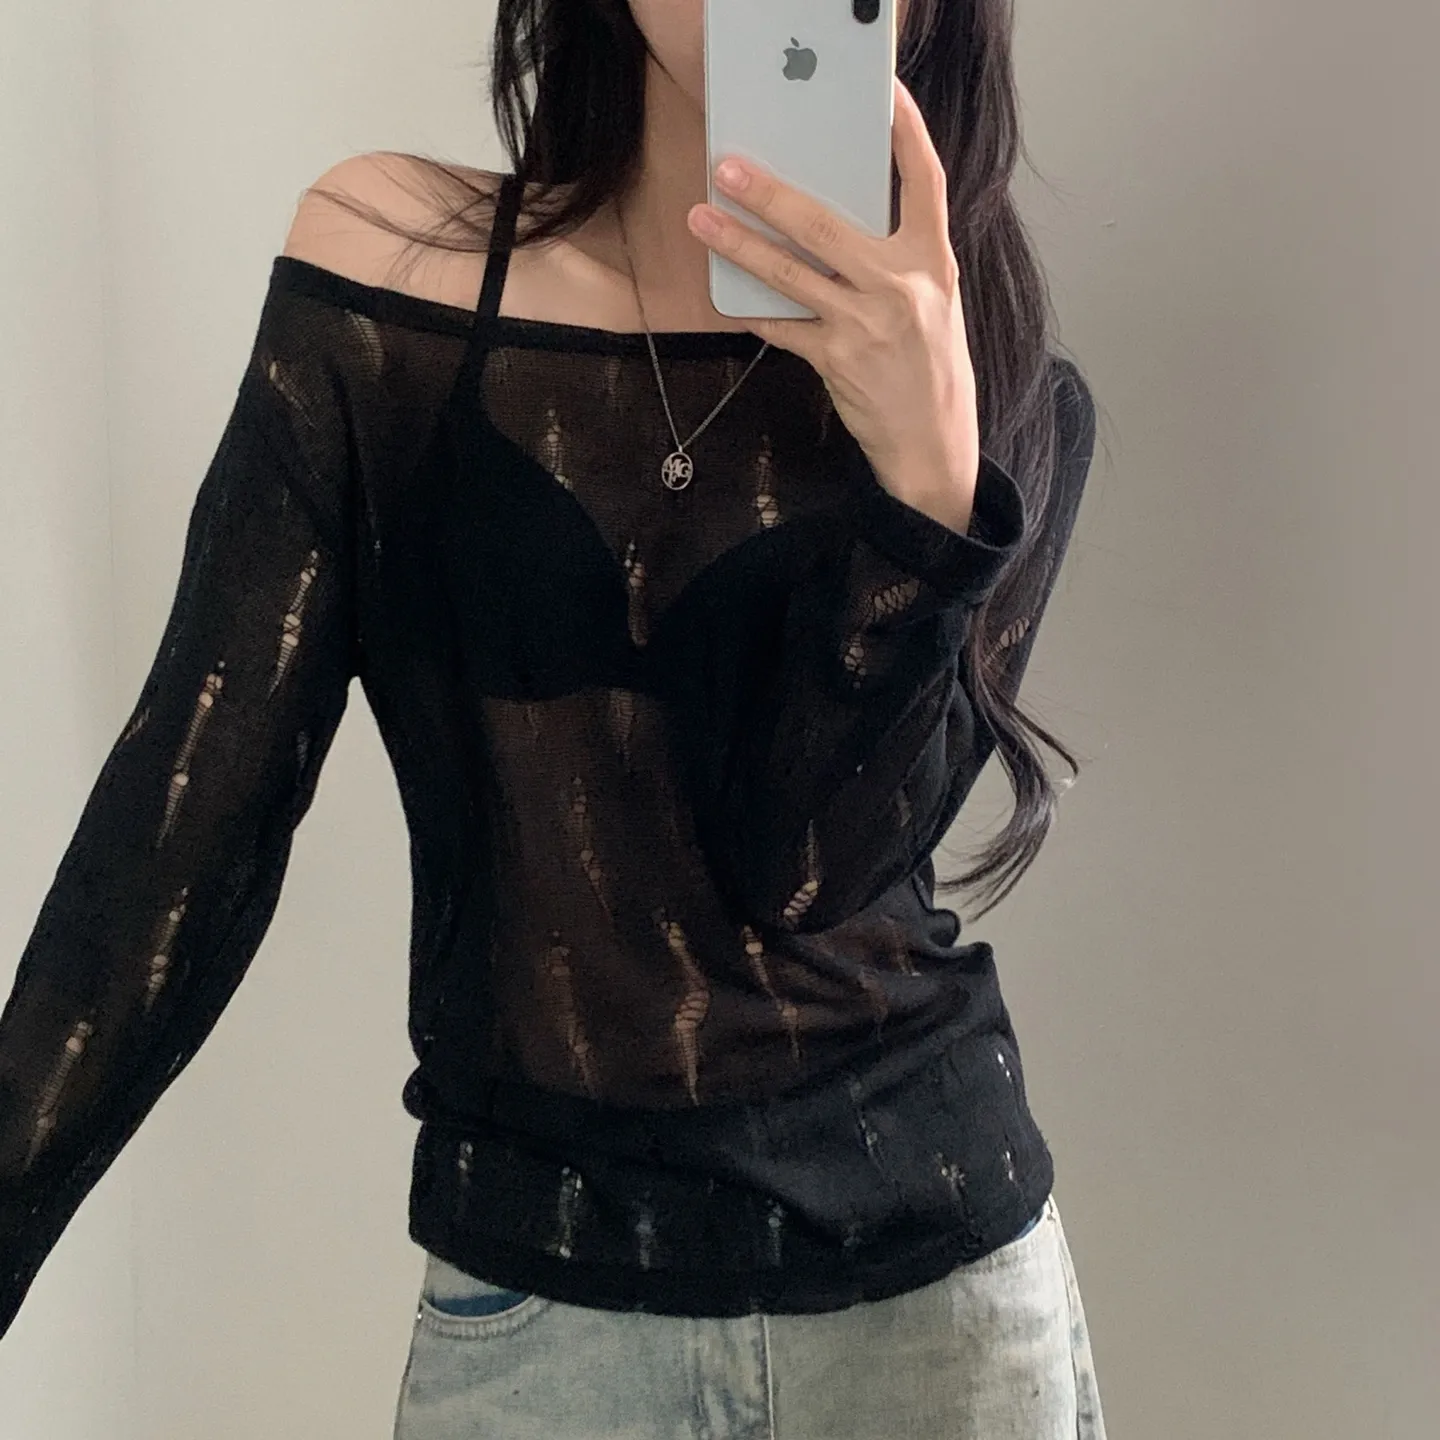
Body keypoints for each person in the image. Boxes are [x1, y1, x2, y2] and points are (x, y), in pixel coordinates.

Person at [0, 1, 1106, 1435]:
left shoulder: (1003, 397)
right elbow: (187, 823)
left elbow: (810, 874)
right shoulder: (388, 274)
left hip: (938, 1316)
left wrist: (930, 495)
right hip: (541, 1320)